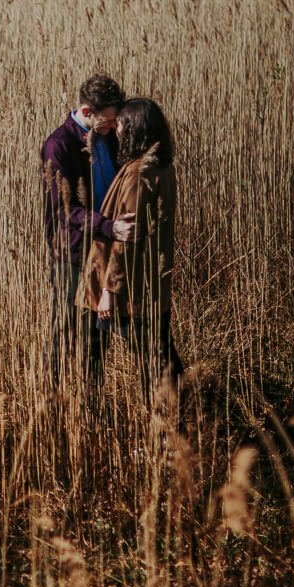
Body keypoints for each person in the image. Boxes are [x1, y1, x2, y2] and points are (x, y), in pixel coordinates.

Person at [77, 97, 182, 397]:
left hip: (131, 290)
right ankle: (183, 422)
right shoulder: (161, 166)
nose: (116, 127)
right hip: (150, 285)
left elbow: (128, 236)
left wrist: (109, 291)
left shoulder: (139, 172)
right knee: (160, 358)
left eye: (121, 122)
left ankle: (168, 430)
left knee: (153, 363)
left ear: (134, 128)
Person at [41, 74, 137, 385]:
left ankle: (91, 402)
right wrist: (109, 227)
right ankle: (51, 402)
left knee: (98, 335)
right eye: (108, 120)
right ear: (86, 112)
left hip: (106, 247)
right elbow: (64, 210)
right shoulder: (59, 146)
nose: (114, 126)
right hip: (74, 253)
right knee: (64, 330)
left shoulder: (108, 136)